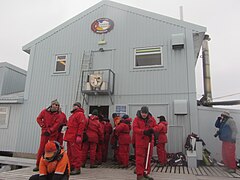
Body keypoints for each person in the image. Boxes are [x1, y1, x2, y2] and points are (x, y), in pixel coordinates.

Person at [33, 99, 63, 171]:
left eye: (57, 105)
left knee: (51, 149)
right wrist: (43, 125)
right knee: (42, 149)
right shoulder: (44, 111)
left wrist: (50, 130)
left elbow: (57, 124)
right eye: (54, 104)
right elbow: (38, 118)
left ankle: (49, 165)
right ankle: (38, 164)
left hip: (53, 134)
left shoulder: (59, 115)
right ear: (51, 105)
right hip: (44, 133)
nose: (55, 106)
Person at [133, 106, 159, 180]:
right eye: (143, 113)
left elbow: (157, 126)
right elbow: (135, 129)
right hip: (140, 142)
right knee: (140, 159)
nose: (144, 114)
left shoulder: (151, 119)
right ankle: (139, 175)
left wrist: (152, 130)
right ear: (140, 112)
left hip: (149, 142)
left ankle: (145, 173)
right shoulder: (136, 119)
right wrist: (143, 132)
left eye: (145, 113)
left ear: (147, 113)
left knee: (148, 158)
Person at [63, 102, 87, 175]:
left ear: (79, 107)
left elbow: (81, 125)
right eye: (74, 105)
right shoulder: (73, 115)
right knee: (70, 153)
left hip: (74, 137)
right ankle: (71, 166)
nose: (74, 107)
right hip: (70, 137)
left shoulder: (80, 114)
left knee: (76, 153)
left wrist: (79, 135)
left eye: (76, 106)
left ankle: (77, 168)